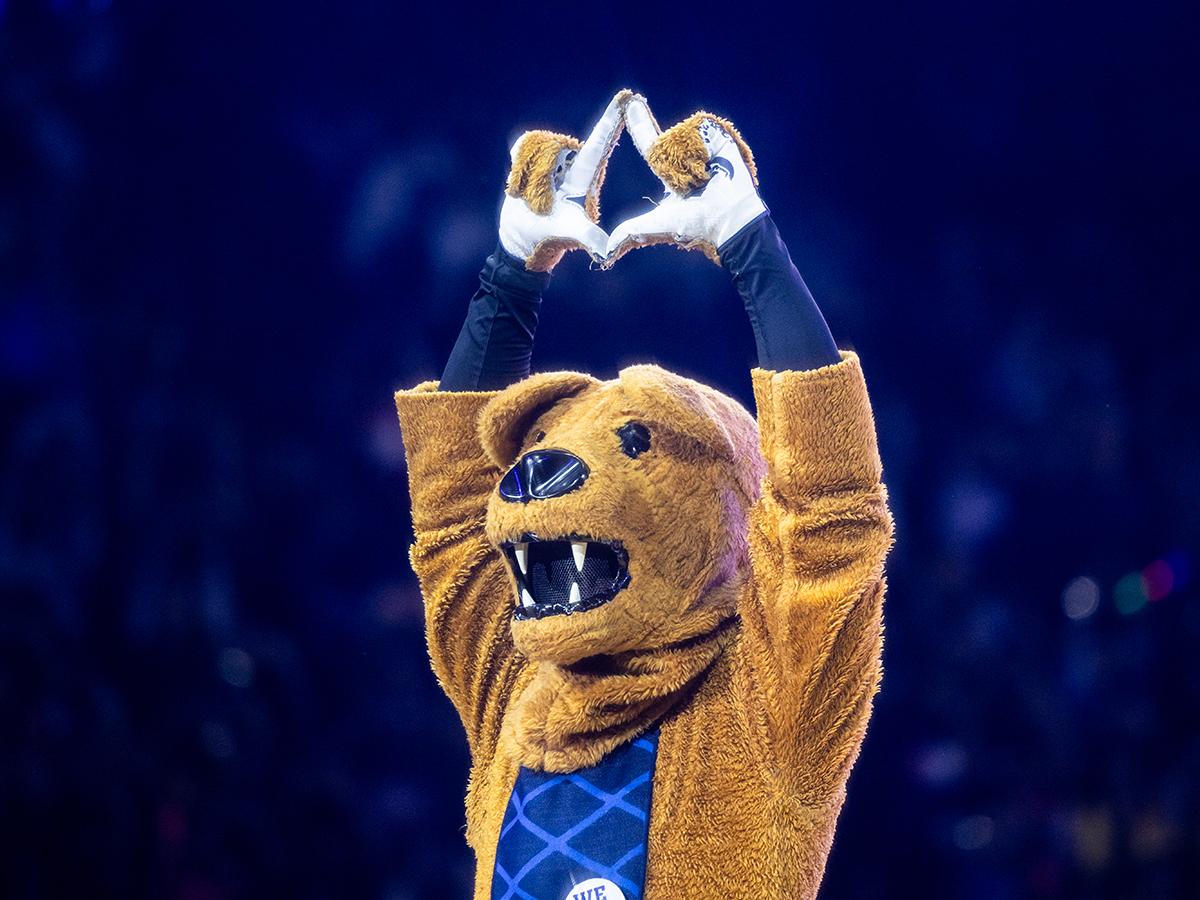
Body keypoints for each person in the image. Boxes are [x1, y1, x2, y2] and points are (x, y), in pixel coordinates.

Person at [394, 91, 894, 899]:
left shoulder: (766, 719)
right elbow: (458, 525)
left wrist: (749, 243)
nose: (534, 485)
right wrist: (511, 271)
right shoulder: (522, 702)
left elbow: (831, 525)